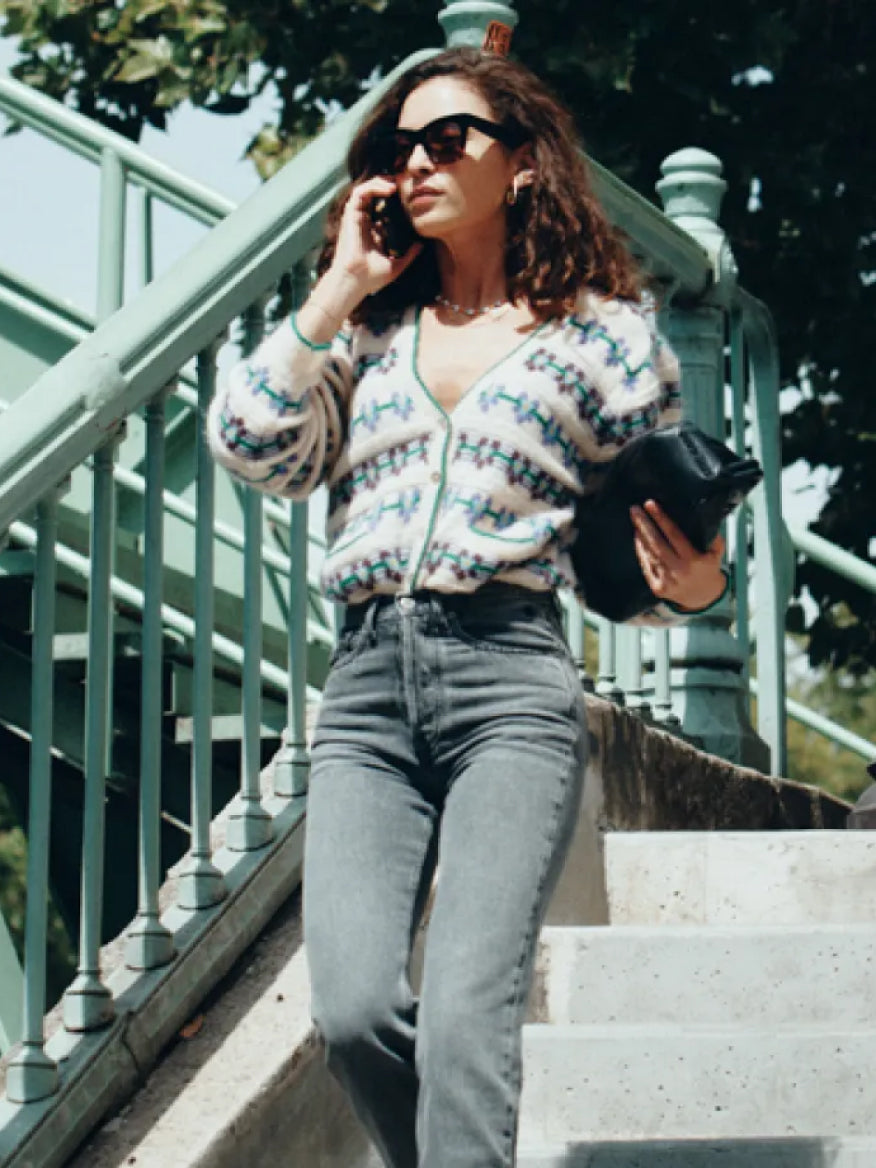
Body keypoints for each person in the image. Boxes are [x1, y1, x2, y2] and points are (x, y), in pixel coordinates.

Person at [208, 46, 727, 1168]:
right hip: (365, 692)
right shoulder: (368, 333)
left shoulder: (603, 338)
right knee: (353, 1011)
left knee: (463, 1023)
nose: (418, 164)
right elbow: (250, 444)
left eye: (448, 141)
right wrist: (339, 285)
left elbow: (646, 544)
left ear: (524, 162)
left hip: (509, 684)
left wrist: (695, 587)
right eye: (400, 148)